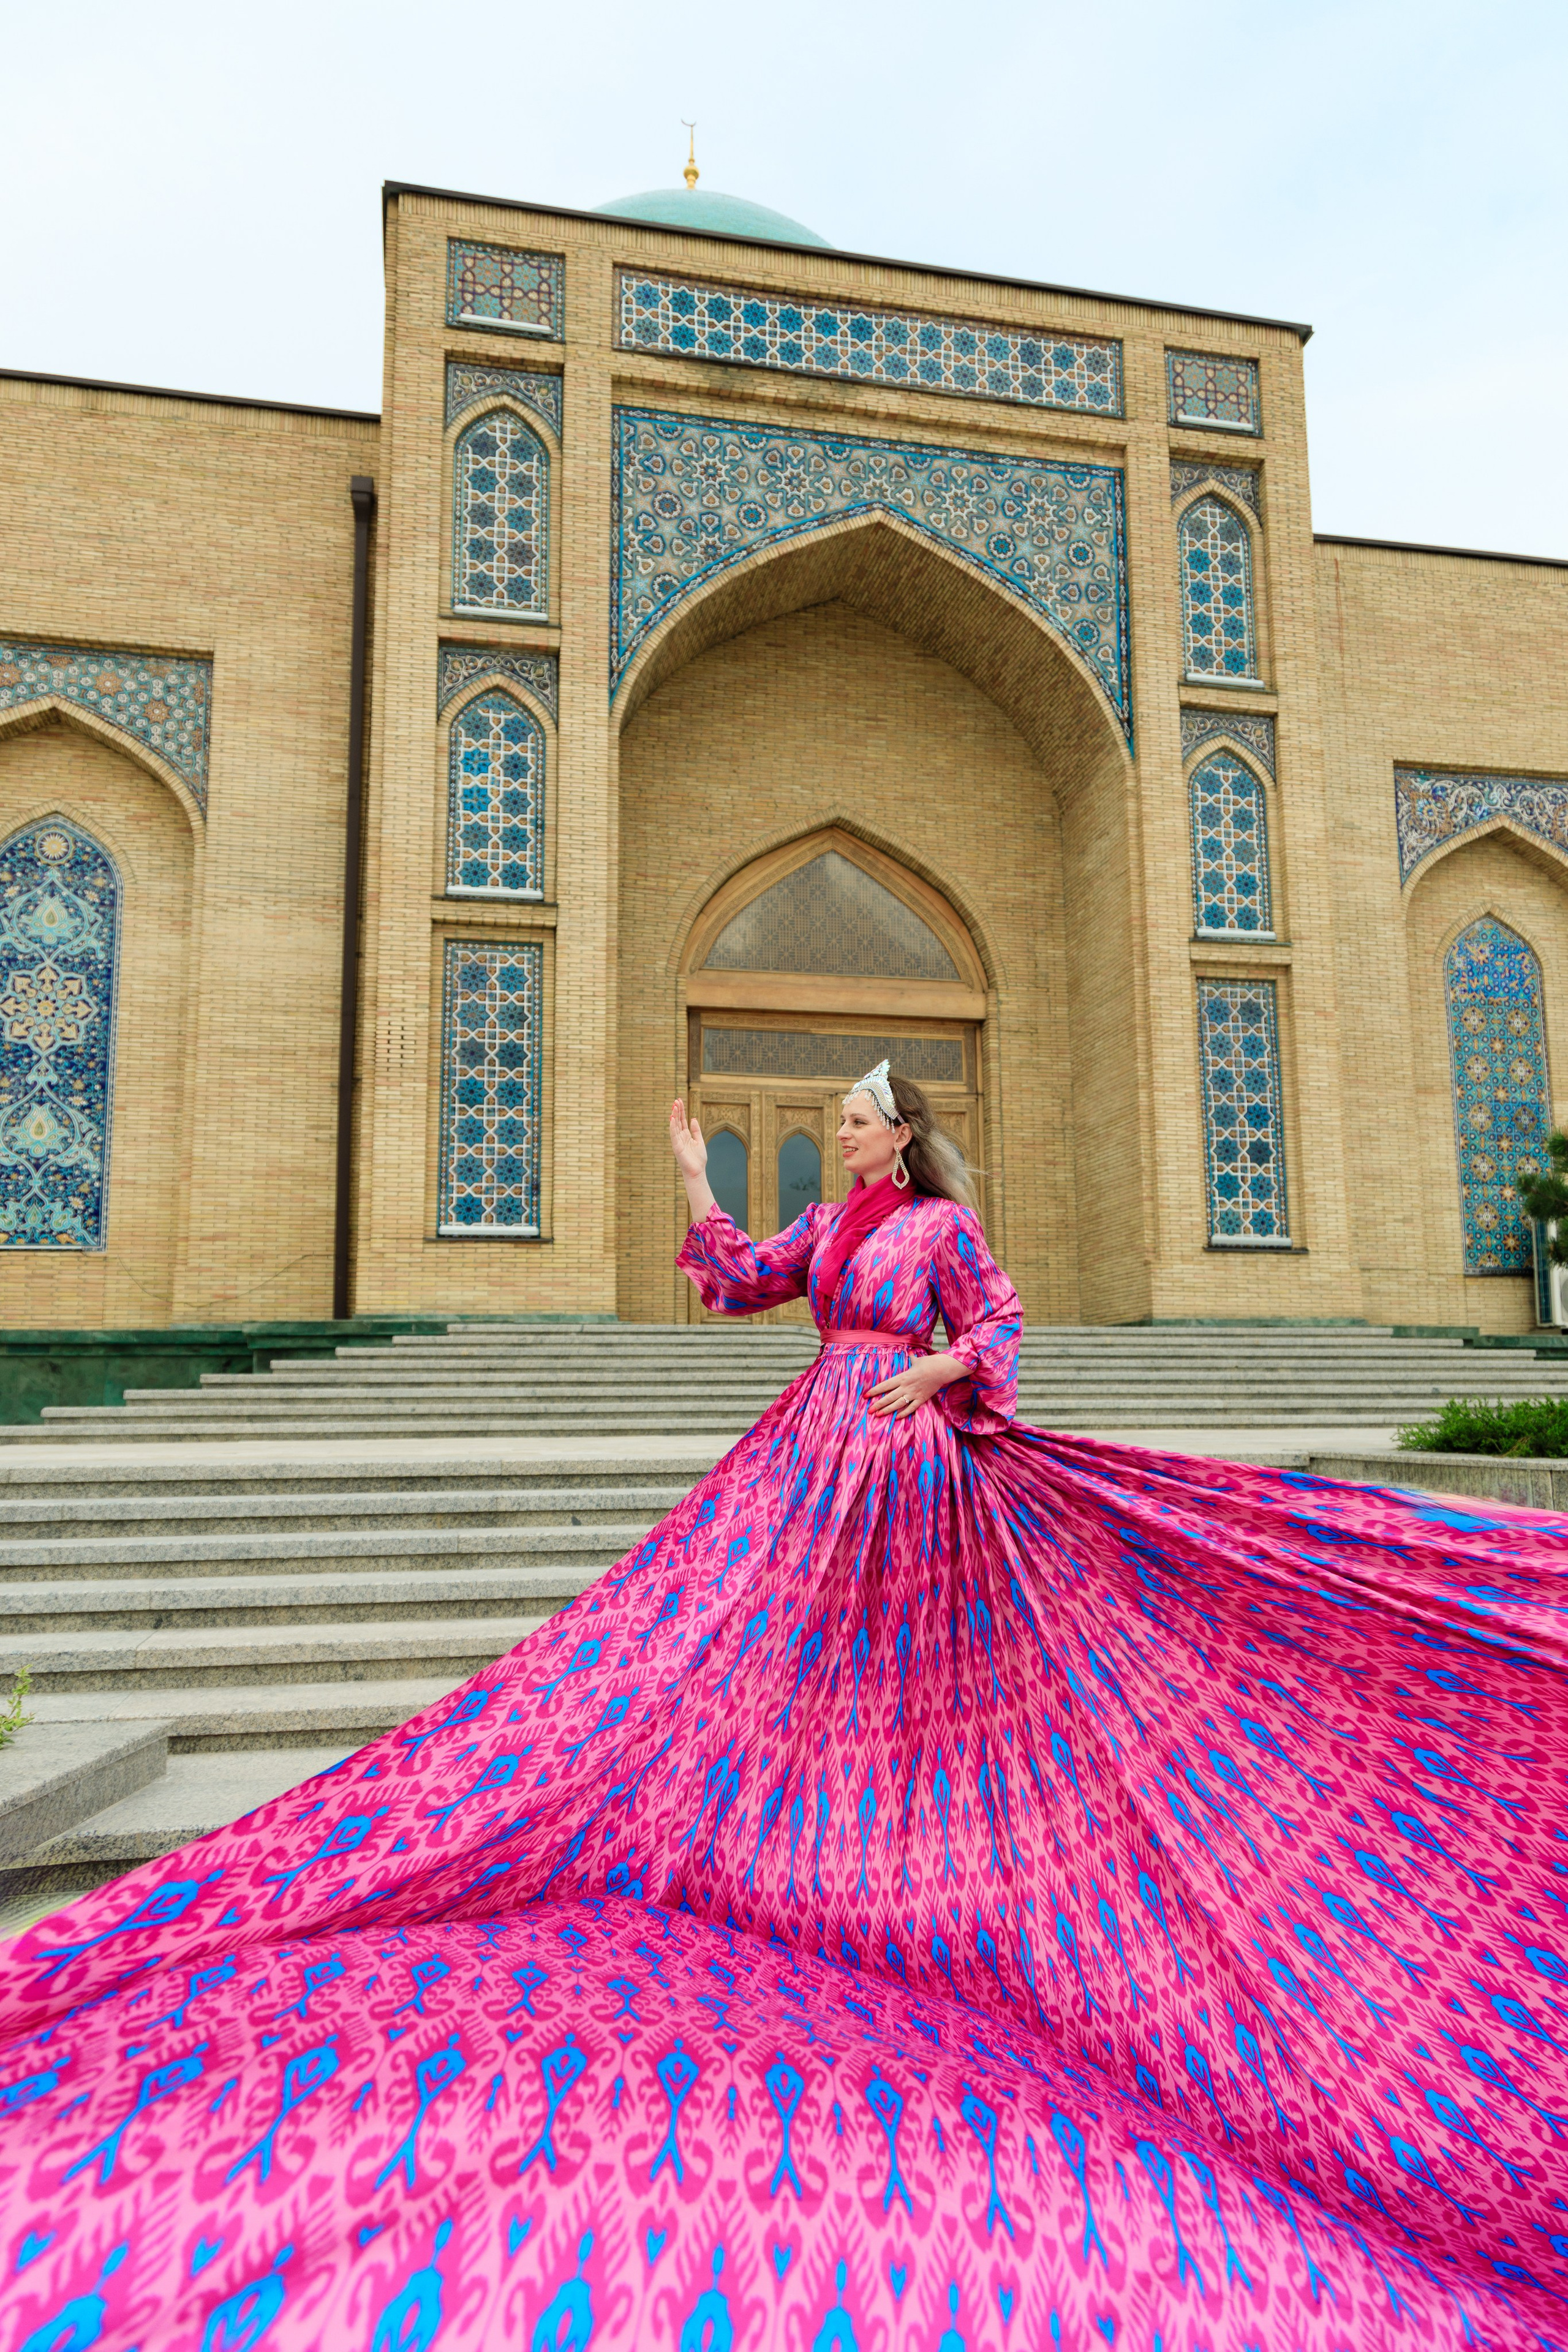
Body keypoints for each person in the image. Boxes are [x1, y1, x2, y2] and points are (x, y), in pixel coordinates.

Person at [2, 1060, 1566, 2352]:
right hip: (808, 1451)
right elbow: (741, 1285)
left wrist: (942, 1379)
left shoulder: (943, 1227)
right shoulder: (832, 1223)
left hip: (902, 1466)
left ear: (906, 1127)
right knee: (726, 1644)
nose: (838, 1125)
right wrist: (696, 1176)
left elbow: (1002, 1326)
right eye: (833, 1114)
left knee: (906, 1680)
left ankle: (911, 1862)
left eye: (856, 1113)